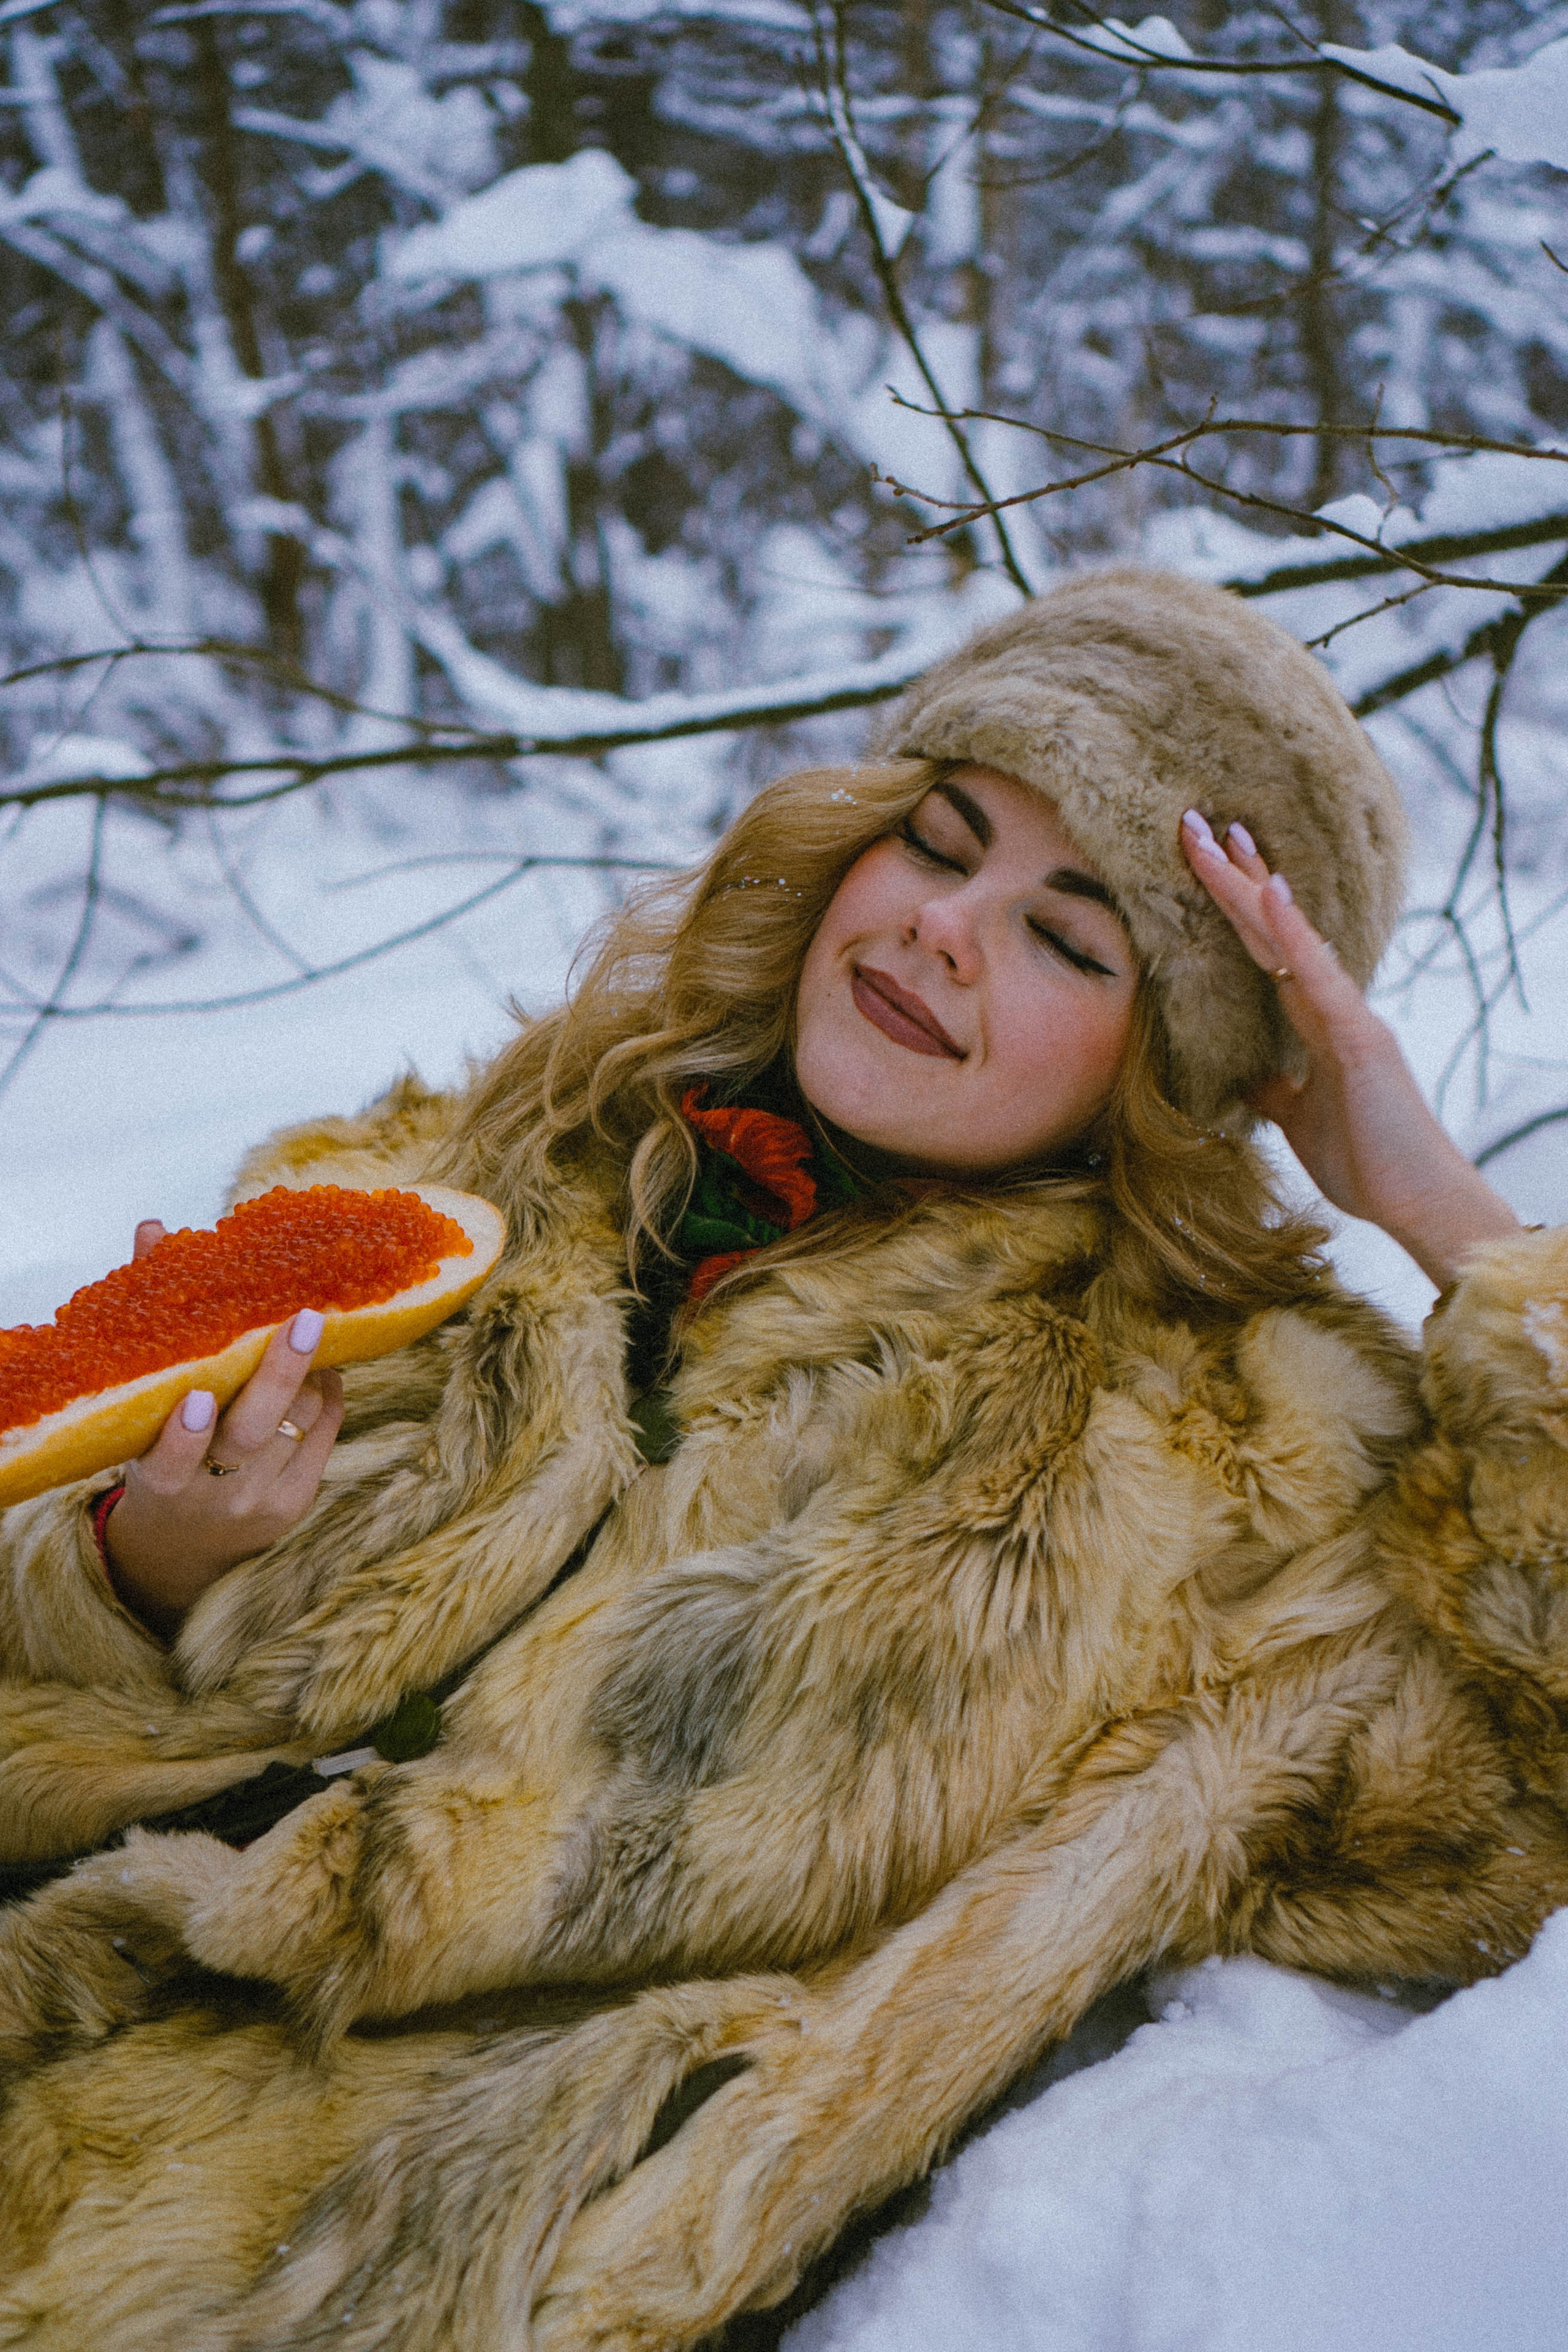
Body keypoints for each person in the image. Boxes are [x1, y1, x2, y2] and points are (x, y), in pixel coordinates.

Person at [1, 568, 1564, 2352]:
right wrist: (134, 1575)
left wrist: (1453, 1225)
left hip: (346, 2257)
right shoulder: (458, 1171)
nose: (945, 931)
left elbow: (1515, 1833)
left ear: (1169, 1062)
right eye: (940, 842)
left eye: (1070, 938)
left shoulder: (1228, 1454)